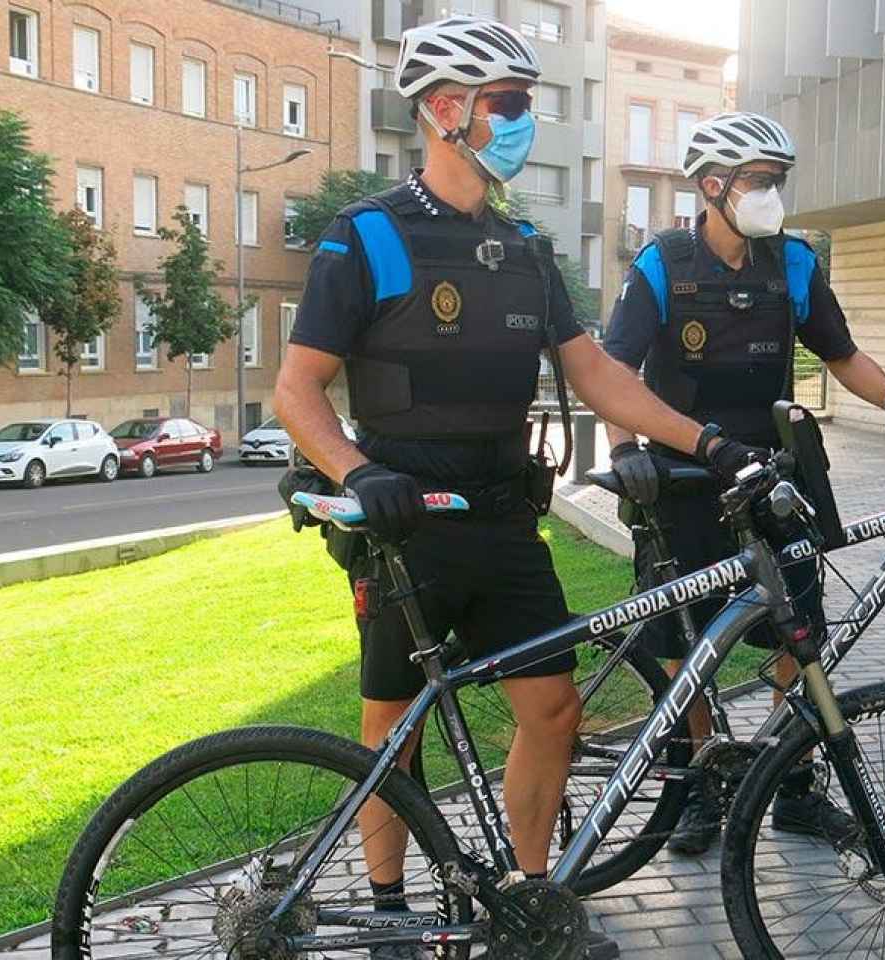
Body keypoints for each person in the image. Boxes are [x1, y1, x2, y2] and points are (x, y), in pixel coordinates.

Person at [272, 18, 764, 959]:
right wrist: (358, 472)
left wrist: (707, 441)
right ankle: (387, 912)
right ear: (443, 111)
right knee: (392, 733)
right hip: (403, 523)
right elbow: (298, 390)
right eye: (507, 104)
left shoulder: (528, 246)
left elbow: (599, 375)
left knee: (552, 710)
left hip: (504, 516)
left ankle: (528, 901)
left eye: (524, 105)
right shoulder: (365, 235)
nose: (521, 122)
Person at [601, 111, 885, 856]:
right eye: (757, 181)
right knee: (686, 642)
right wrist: (626, 455)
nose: (770, 195)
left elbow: (842, 353)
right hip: (682, 479)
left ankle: (793, 786)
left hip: (774, 477)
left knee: (801, 633)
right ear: (712, 186)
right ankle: (694, 785)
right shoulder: (663, 262)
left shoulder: (794, 263)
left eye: (776, 181)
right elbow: (614, 370)